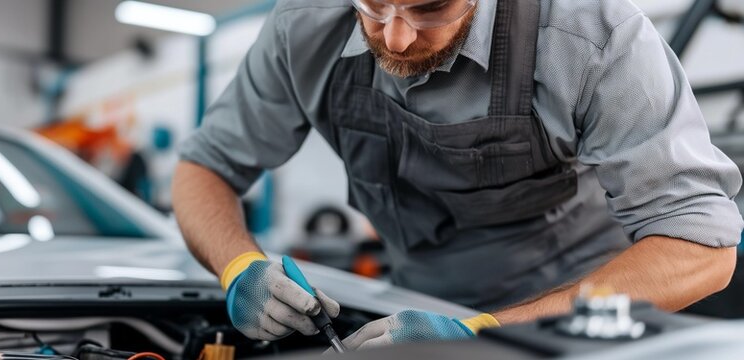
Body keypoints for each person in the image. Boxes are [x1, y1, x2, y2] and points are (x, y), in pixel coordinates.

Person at [171, 0, 743, 349]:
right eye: (374, 6)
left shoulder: (590, 37)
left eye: (430, 9)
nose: (394, 37)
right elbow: (204, 168)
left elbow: (701, 247)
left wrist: (486, 335)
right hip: (412, 312)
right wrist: (238, 266)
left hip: (576, 328)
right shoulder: (304, 25)